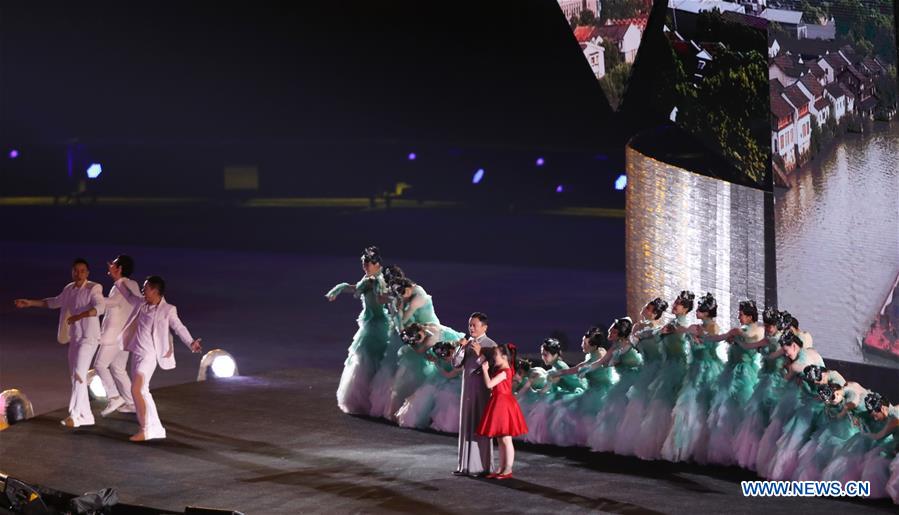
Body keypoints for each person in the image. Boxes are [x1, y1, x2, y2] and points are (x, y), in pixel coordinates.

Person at [14, 258, 105, 428]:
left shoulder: (94, 288)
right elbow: (54, 302)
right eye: (76, 271)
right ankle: (87, 415)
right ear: (72, 272)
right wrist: (30, 303)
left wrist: (81, 315)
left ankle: (76, 415)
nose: (79, 274)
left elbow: (100, 307)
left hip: (89, 338)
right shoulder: (69, 289)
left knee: (79, 373)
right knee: (75, 377)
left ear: (88, 273)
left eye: (82, 271)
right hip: (75, 338)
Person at [122, 276, 202, 441]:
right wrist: (117, 278)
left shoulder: (168, 309)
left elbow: (179, 327)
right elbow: (128, 296)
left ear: (155, 290)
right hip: (136, 352)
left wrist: (191, 342)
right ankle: (156, 429)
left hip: (150, 356)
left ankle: (144, 429)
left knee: (136, 390)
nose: (143, 291)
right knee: (143, 391)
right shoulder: (141, 303)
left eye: (146, 288)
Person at [326, 246, 391, 415]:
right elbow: (357, 288)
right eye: (363, 263)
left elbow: (382, 298)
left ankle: (372, 400)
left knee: (368, 358)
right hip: (370, 322)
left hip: (378, 324)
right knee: (365, 359)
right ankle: (367, 399)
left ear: (377, 264)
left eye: (368, 263)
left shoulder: (377, 279)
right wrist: (340, 287)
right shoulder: (369, 278)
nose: (365, 267)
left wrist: (380, 290)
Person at [95, 255, 142, 416]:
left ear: (119, 269)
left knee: (100, 365)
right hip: (126, 336)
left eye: (114, 264)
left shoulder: (121, 285)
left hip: (113, 336)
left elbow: (112, 302)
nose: (110, 265)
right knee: (118, 368)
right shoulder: (133, 284)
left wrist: (92, 298)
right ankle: (131, 403)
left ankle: (114, 397)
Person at [451, 312, 497, 476]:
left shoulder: (491, 345)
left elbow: (493, 368)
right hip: (467, 389)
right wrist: (460, 348)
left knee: (480, 425)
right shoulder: (468, 343)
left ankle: (481, 467)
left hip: (482, 390)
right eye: (470, 325)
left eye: (474, 325)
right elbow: (456, 364)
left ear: (484, 327)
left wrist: (480, 354)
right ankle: (465, 466)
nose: (471, 328)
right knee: (467, 425)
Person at [477, 343, 528, 479]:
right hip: (499, 403)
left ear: (504, 356)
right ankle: (501, 468)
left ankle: (508, 469)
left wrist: (485, 370)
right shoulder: (504, 369)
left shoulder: (505, 371)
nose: (494, 358)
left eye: (496, 355)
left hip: (503, 404)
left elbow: (489, 385)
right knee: (500, 439)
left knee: (506, 438)